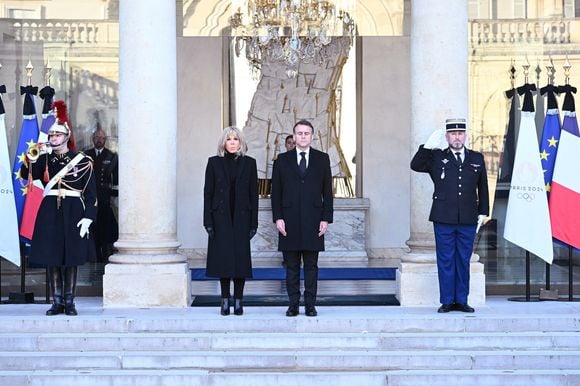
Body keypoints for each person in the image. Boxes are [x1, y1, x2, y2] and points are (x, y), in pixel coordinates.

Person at [21, 100, 97, 316]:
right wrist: (30, 156)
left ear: (67, 137)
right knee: (52, 257)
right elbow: (24, 176)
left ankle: (70, 302)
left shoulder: (82, 162)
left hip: (73, 210)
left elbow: (91, 194)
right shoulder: (43, 159)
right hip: (50, 212)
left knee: (71, 258)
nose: (53, 138)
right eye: (51, 135)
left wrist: (88, 217)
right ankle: (57, 302)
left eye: (57, 135)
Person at [410, 118, 489, 314]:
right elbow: (416, 165)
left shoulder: (476, 158)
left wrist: (483, 211)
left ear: (466, 136)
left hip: (469, 218)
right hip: (443, 217)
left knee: (463, 259)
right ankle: (447, 300)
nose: (457, 137)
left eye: (460, 133)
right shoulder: (436, 157)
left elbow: (483, 187)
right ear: (447, 137)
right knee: (445, 259)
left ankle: (461, 300)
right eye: (453, 134)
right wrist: (427, 147)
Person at [271, 119, 333, 317]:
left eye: (306, 133)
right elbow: (276, 193)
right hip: (288, 221)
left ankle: (310, 305)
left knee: (312, 266)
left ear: (312, 136)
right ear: (294, 136)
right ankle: (293, 305)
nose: (303, 136)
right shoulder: (282, 160)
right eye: (299, 133)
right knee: (291, 266)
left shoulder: (323, 159)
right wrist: (278, 218)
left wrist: (326, 218)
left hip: (314, 220)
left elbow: (327, 192)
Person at [203, 126, 258, 316]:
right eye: (229, 139)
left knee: (240, 261)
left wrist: (254, 223)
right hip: (220, 218)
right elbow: (207, 194)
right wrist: (207, 221)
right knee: (224, 260)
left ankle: (239, 300)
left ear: (241, 143)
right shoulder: (213, 163)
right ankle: (225, 299)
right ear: (223, 143)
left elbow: (254, 195)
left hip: (242, 218)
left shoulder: (250, 163)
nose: (233, 142)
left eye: (236, 139)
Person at [84, 128, 119, 261]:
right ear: (93, 139)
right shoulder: (87, 155)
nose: (99, 139)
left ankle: (105, 253)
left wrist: (115, 195)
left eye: (102, 137)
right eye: (97, 137)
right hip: (90, 196)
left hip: (105, 197)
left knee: (106, 227)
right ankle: (93, 254)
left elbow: (115, 178)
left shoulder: (112, 156)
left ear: (105, 140)